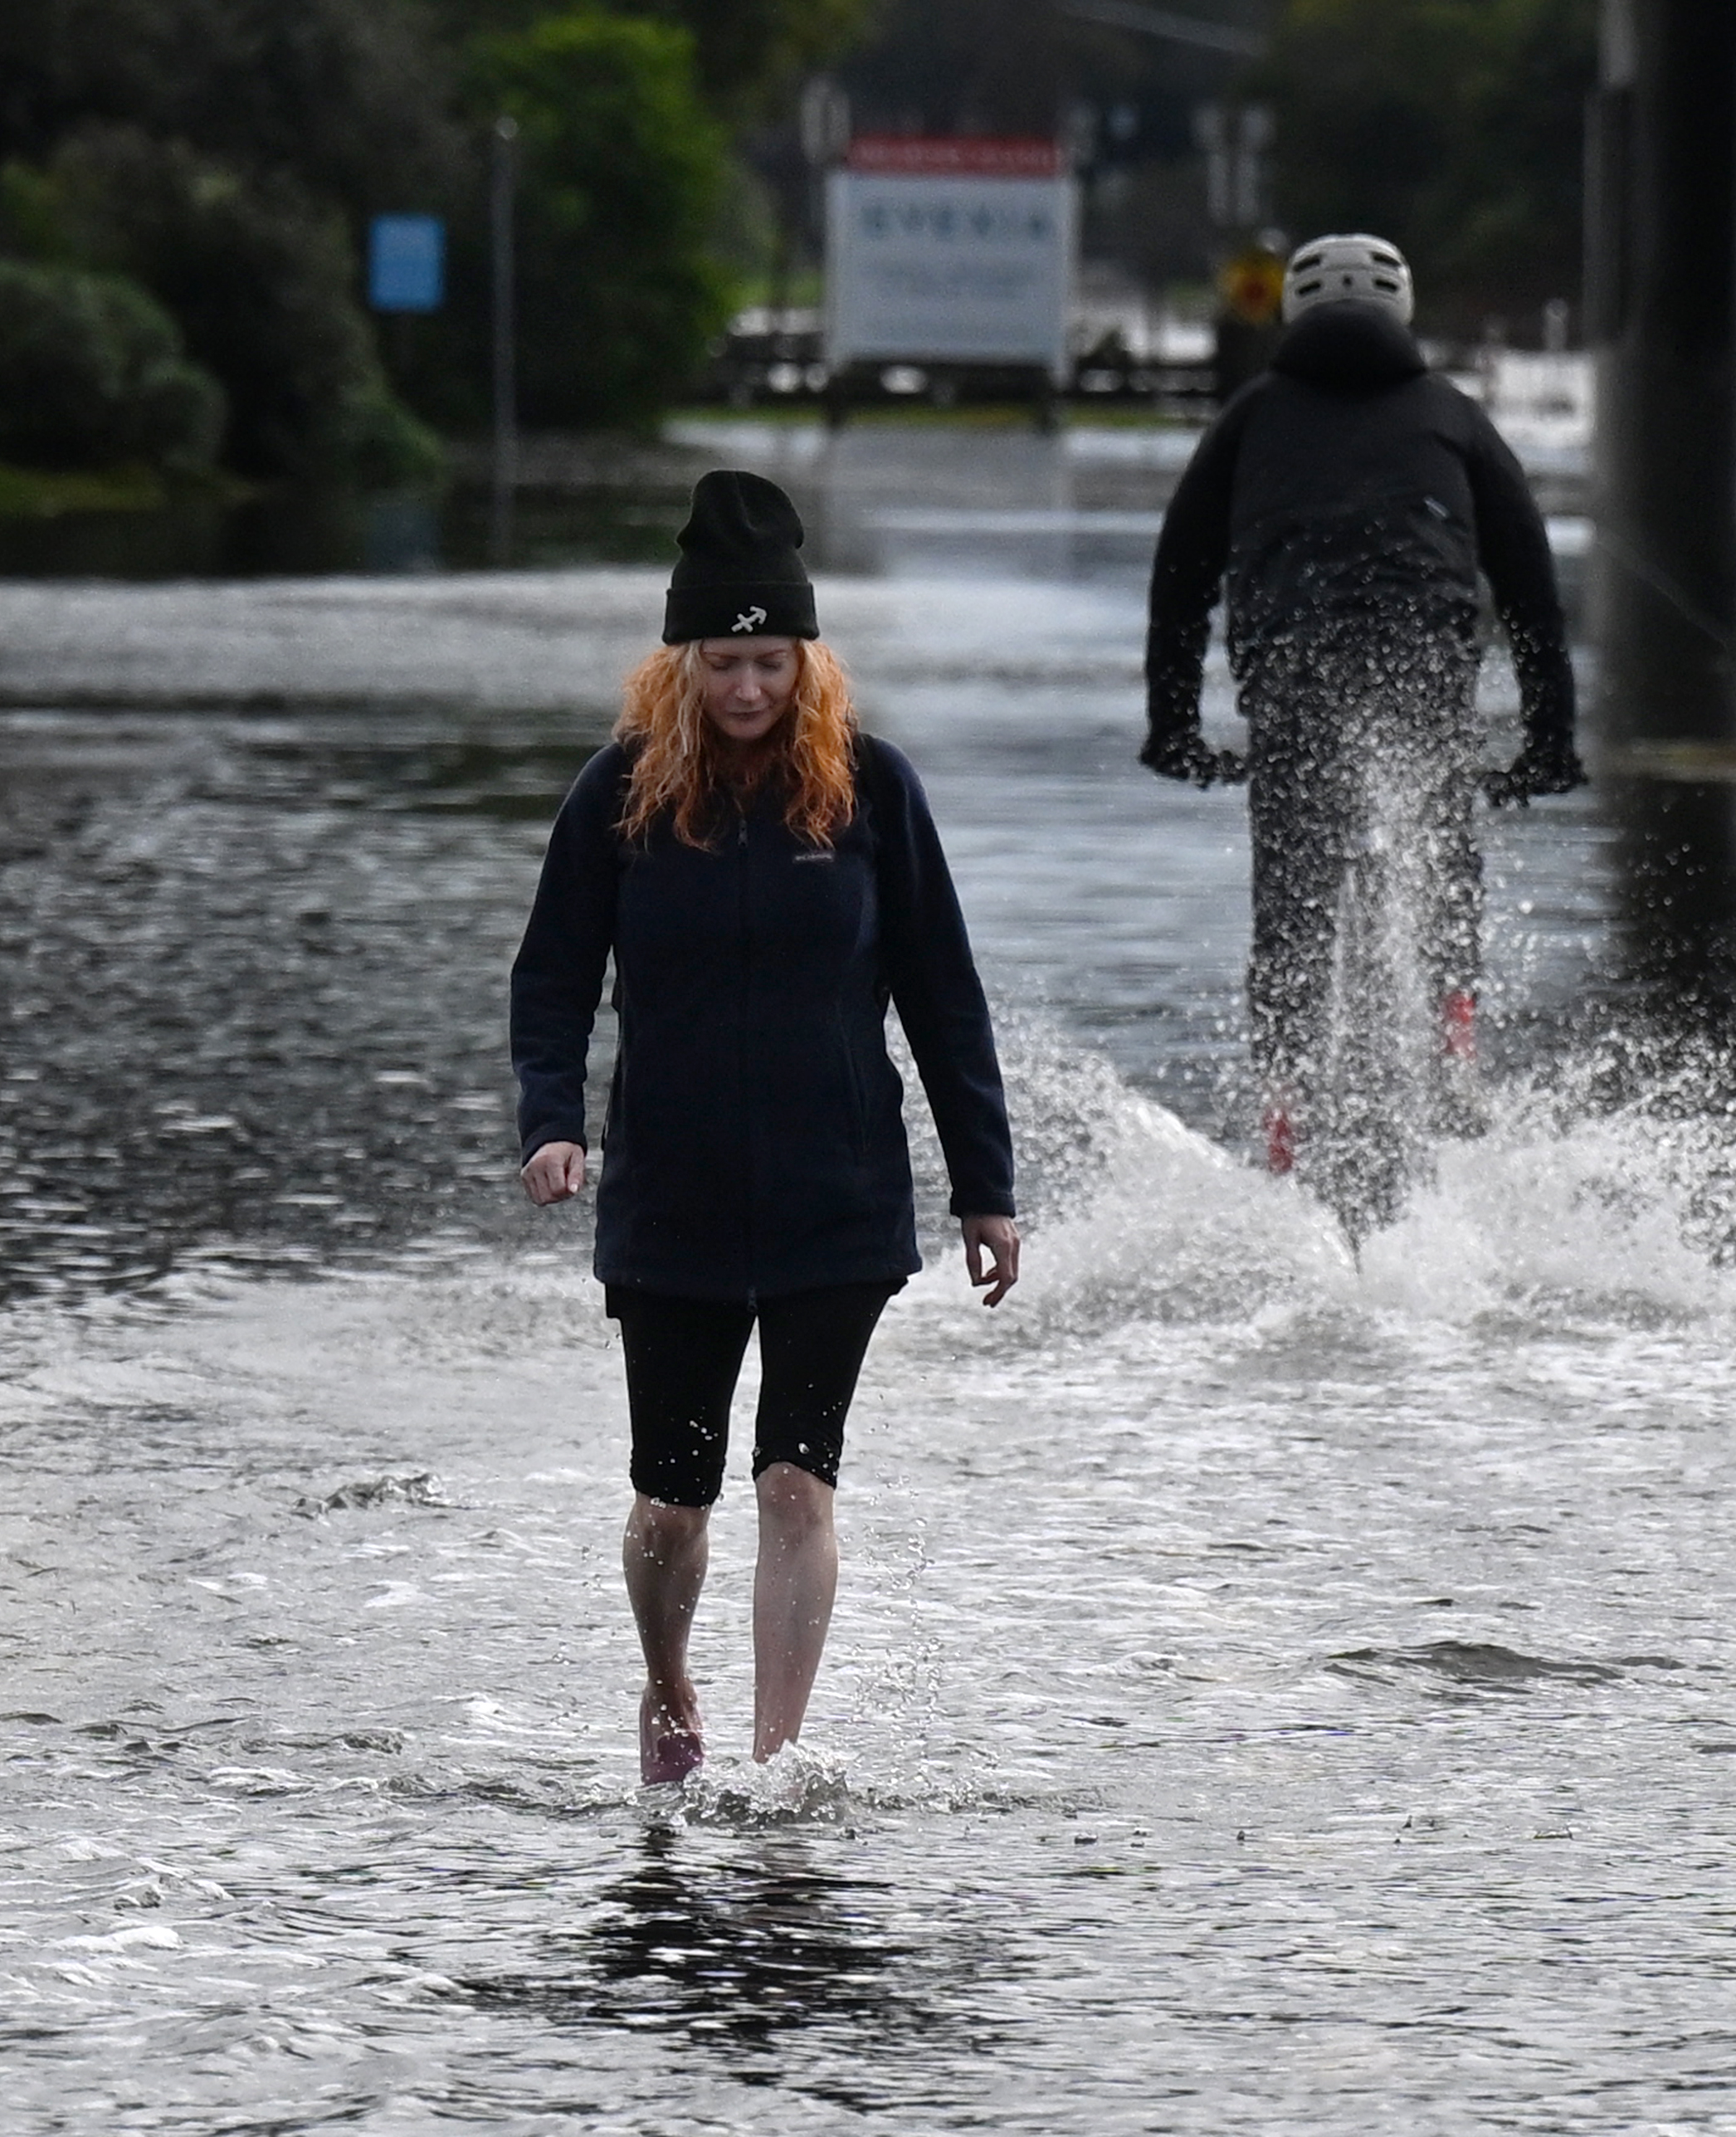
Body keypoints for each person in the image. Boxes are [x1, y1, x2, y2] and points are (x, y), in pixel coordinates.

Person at [511, 470, 1021, 1787]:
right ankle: (669, 1680)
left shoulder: (868, 792)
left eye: (772, 662)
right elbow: (553, 974)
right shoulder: (621, 796)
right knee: (672, 1504)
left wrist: (985, 1187)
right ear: (684, 665)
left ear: (810, 660)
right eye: (726, 663)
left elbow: (943, 994)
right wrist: (551, 1121)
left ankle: (772, 1758)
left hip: (833, 1200)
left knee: (795, 1483)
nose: (749, 690)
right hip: (673, 1202)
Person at [1140, 232, 1585, 1173]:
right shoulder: (1453, 415)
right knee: (1442, 873)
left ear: (1291, 314)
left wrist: (1174, 727)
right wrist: (1552, 740)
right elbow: (1532, 587)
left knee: (1293, 921)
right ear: (1406, 309)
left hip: (1296, 687)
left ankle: (1284, 1138)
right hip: (1421, 680)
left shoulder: (1250, 418)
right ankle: (1455, 1065)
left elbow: (1181, 574)